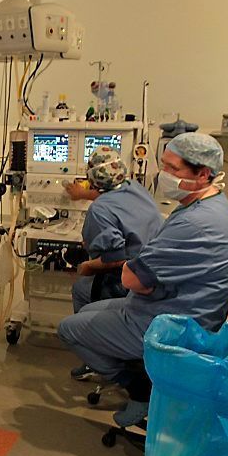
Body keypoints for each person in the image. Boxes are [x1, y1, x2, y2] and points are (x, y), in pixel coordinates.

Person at [58, 133, 228, 426]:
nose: (164, 175)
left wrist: (96, 266)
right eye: (163, 165)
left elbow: (132, 278)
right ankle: (140, 369)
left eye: (174, 169)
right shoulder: (210, 205)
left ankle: (139, 390)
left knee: (69, 328)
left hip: (172, 322)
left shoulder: (194, 223)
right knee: (87, 310)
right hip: (178, 303)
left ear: (203, 173)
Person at [64, 145, 163, 381]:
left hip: (128, 276)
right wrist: (82, 195)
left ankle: (105, 359)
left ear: (92, 177)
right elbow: (109, 194)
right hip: (154, 268)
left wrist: (86, 267)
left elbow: (115, 257)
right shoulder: (134, 187)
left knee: (80, 289)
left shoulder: (99, 211)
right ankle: (99, 349)